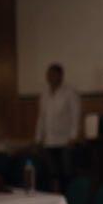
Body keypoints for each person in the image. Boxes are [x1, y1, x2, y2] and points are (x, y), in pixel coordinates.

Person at [35, 63, 80, 192]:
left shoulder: (69, 92)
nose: (50, 77)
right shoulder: (44, 94)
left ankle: (68, 199)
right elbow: (41, 117)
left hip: (65, 140)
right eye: (49, 74)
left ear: (60, 76)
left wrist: (73, 137)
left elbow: (75, 115)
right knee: (50, 173)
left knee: (66, 173)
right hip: (49, 141)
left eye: (53, 74)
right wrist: (38, 138)